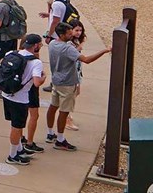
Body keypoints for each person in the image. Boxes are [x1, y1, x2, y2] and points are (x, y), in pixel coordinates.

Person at [45, 22, 111, 150]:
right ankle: (60, 139)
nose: (71, 35)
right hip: (68, 83)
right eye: (69, 33)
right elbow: (86, 60)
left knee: (53, 107)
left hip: (56, 80)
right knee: (64, 112)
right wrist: (104, 50)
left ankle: (50, 133)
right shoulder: (68, 48)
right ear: (62, 34)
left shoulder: (53, 44)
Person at [0, 34, 47, 165]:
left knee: (15, 124)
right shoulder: (36, 62)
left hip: (6, 93)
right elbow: (37, 82)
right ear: (36, 45)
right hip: (20, 99)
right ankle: (12, 155)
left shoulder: (11, 53)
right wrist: (44, 77)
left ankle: (19, 149)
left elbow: (1, 63)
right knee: (17, 127)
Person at [66, 19, 86, 131]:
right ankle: (67, 119)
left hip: (77, 71)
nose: (78, 32)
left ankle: (67, 115)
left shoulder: (76, 41)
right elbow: (73, 54)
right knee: (70, 97)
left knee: (76, 93)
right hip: (72, 73)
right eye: (76, 30)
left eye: (80, 30)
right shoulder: (70, 43)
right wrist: (81, 45)